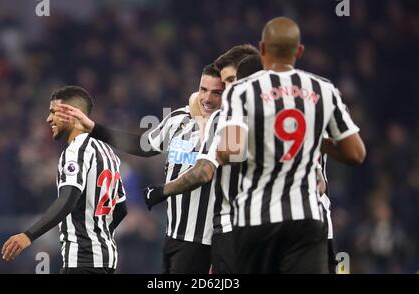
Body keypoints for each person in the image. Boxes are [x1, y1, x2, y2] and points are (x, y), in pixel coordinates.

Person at [215, 17, 366, 274]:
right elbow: (356, 153)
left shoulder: (240, 92)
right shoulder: (324, 89)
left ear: (262, 49)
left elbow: (229, 151)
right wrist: (316, 139)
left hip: (256, 218)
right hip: (306, 217)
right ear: (299, 51)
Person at [54, 64, 224, 274]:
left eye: (216, 92)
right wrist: (94, 128)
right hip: (176, 234)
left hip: (210, 237)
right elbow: (143, 145)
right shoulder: (178, 119)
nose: (207, 98)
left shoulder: (230, 130)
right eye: (203, 90)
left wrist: (161, 191)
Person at [143, 46, 260, 274]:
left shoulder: (235, 120)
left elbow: (206, 170)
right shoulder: (287, 114)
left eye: (228, 83)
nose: (224, 90)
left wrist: (161, 191)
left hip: (230, 232)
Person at [1, 86, 127, 274]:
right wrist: (96, 234)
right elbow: (121, 210)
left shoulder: (76, 151)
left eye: (53, 112)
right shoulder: (108, 153)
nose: (48, 119)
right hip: (106, 258)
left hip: (83, 261)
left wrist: (28, 235)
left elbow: (67, 200)